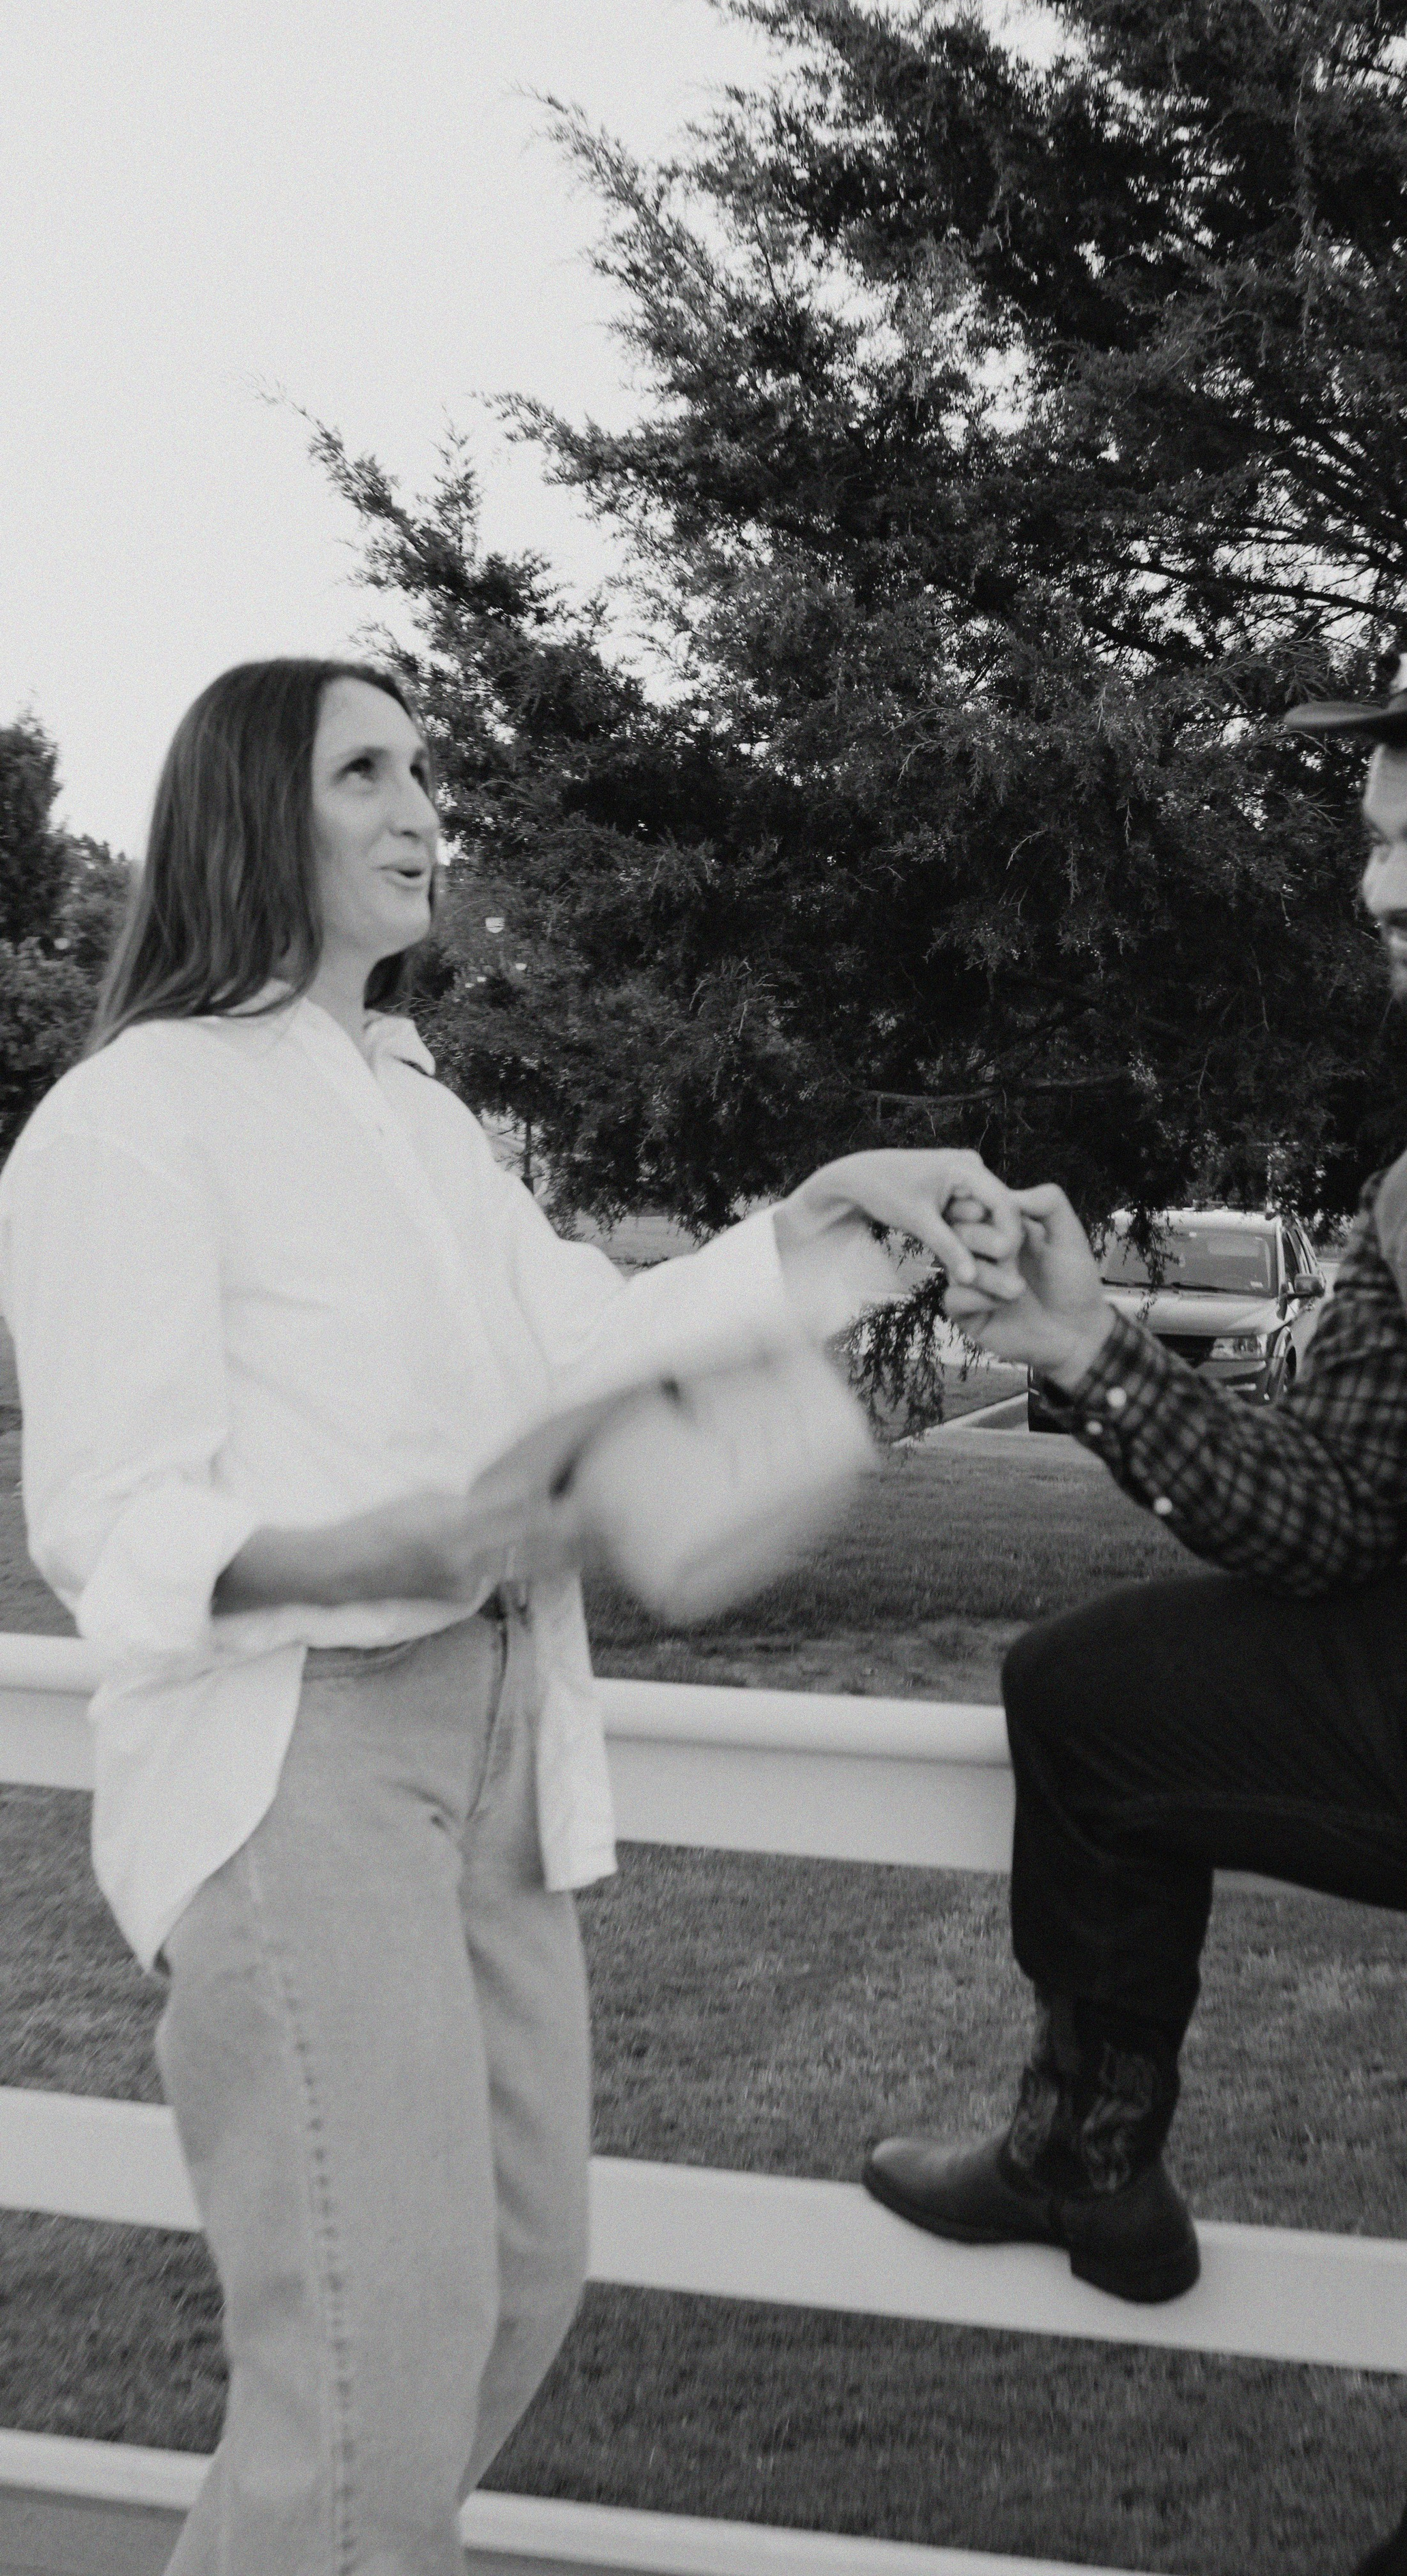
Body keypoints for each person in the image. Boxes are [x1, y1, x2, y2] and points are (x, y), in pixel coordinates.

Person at [0, 656, 1023, 2576]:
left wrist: (832, 1216)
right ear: (248, 814)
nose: (422, 808)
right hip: (299, 1759)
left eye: (427, 770)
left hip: (497, 1748)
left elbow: (581, 1340)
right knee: (375, 2370)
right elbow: (111, 1520)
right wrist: (370, 1549)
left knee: (518, 2284)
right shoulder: (129, 1119)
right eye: (365, 770)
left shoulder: (417, 1111)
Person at [863, 584, 1407, 2576]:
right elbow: (1332, 1514)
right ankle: (1087, 2151)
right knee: (1095, 1697)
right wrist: (1093, 1351)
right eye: (1376, 840)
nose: (1385, 885)